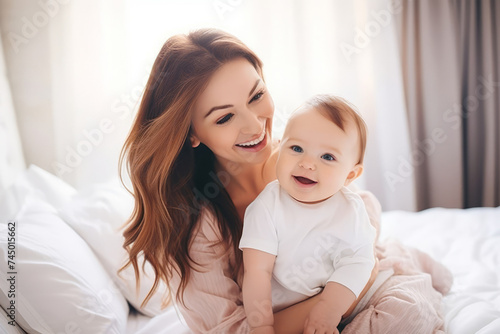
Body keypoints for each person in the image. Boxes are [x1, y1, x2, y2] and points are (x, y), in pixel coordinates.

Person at [120, 28, 450, 334]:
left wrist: (353, 283)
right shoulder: (198, 225)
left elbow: (362, 223)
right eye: (224, 117)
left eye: (256, 95)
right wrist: (337, 300)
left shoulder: (305, 157)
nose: (254, 125)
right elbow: (231, 330)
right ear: (191, 132)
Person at [240, 95, 377, 334]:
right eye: (296, 148)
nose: (307, 163)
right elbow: (257, 271)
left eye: (327, 157)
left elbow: (357, 263)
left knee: (401, 313)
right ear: (280, 148)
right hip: (284, 310)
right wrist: (260, 325)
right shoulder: (267, 206)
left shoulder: (350, 209)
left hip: (338, 300)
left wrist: (329, 310)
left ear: (350, 176)